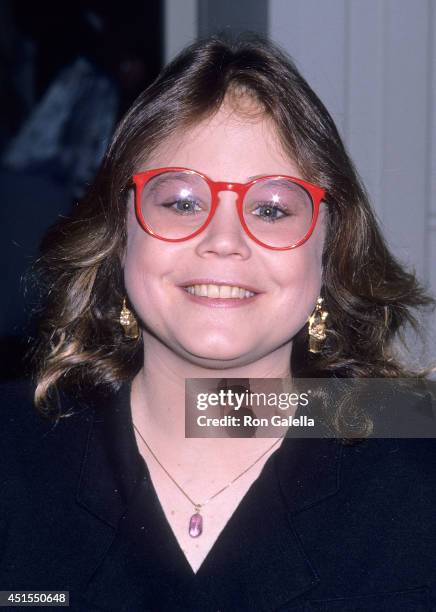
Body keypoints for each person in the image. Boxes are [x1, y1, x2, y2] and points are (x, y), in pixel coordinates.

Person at [1, 33, 435, 611]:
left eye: (272, 209)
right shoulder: (13, 453)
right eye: (181, 201)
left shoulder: (416, 465)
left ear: (330, 249)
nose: (223, 241)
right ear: (117, 233)